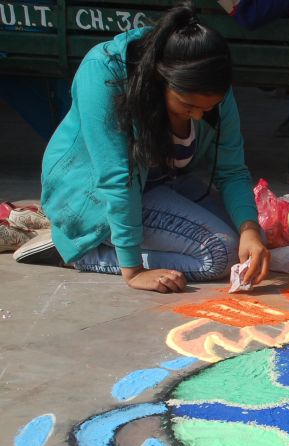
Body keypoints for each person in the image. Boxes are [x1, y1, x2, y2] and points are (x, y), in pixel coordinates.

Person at [15, 3, 270, 293]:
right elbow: (117, 179)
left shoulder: (210, 83)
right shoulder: (104, 72)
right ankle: (82, 250)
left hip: (159, 185)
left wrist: (250, 229)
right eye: (189, 107)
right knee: (220, 255)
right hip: (94, 196)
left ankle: (92, 241)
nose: (199, 116)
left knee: (253, 237)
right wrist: (133, 270)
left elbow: (232, 170)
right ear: (160, 79)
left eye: (208, 108)